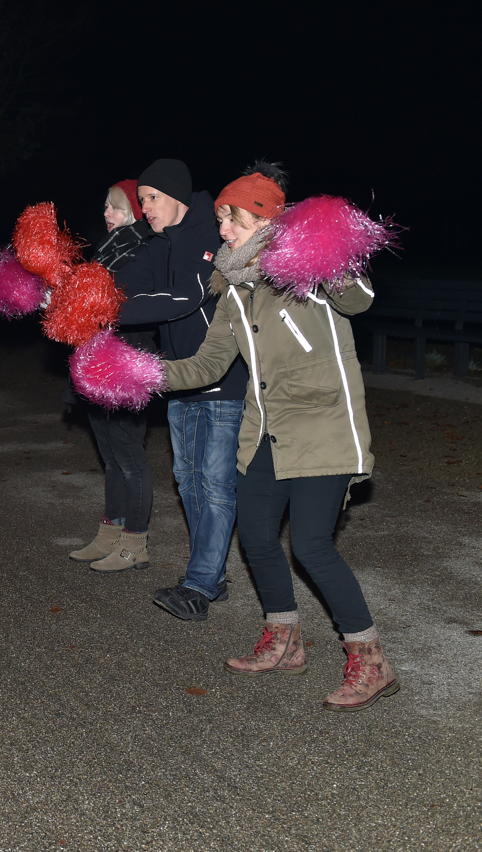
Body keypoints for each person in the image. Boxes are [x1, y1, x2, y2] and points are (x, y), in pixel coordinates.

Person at [162, 163, 397, 711]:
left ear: (263, 219)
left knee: (312, 545)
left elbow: (359, 298)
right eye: (221, 219)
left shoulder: (306, 270)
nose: (221, 231)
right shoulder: (235, 292)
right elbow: (206, 365)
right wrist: (140, 374)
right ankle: (285, 641)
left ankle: (371, 659)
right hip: (264, 433)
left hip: (323, 428)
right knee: (258, 537)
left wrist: (323, 252)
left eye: (231, 220)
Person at [113, 159, 248, 620]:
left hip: (223, 380)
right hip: (180, 380)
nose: (144, 207)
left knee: (214, 485)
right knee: (188, 481)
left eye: (151, 198)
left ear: (174, 196)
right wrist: (76, 295)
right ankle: (212, 574)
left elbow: (186, 298)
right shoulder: (160, 243)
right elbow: (125, 289)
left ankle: (200, 583)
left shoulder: (206, 233)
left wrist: (107, 310)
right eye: (141, 199)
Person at [69, 180, 158, 571]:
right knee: (110, 457)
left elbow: (133, 312)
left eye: (116, 208)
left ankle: (135, 541)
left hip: (126, 370)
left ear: (136, 214)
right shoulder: (104, 255)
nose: (107, 214)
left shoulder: (143, 253)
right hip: (95, 368)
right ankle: (112, 530)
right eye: (106, 206)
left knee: (129, 457)